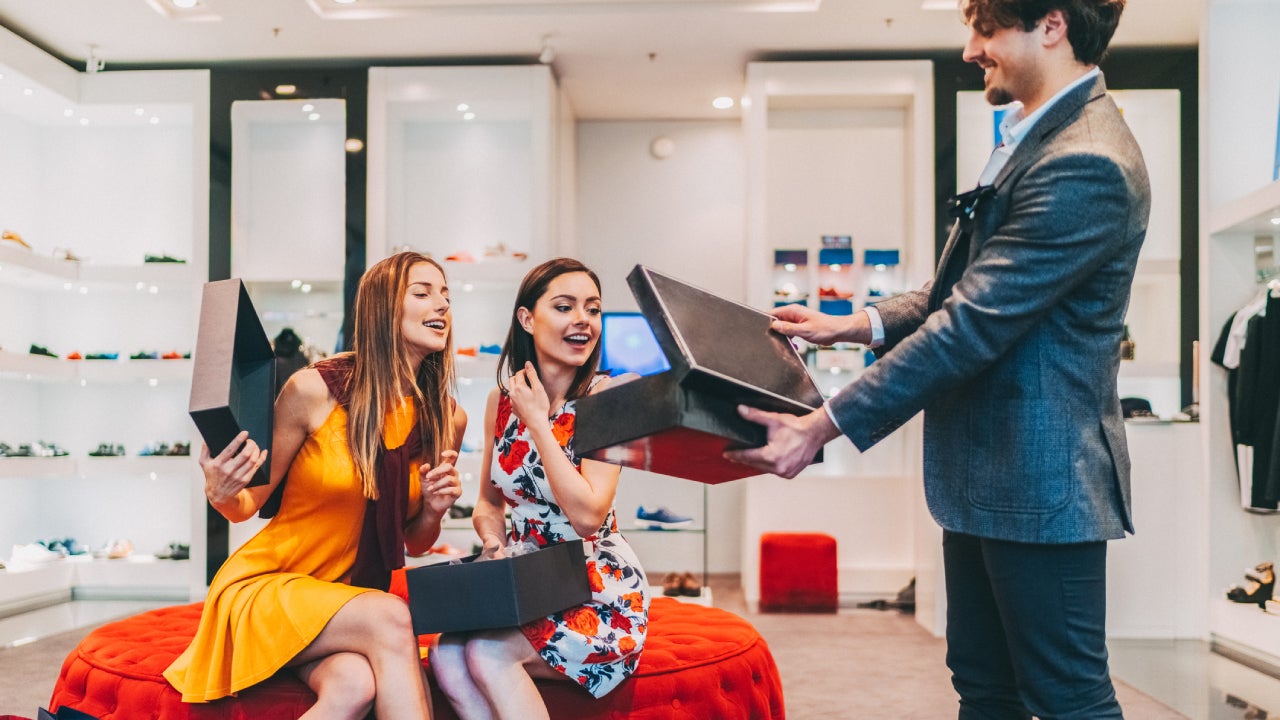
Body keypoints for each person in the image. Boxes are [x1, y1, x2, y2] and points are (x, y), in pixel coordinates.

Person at [727, 1, 1148, 718]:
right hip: (990, 476)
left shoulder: (1087, 161)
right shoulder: (1035, 137)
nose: (969, 50)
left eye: (986, 29)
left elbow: (970, 327)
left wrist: (823, 424)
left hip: (1042, 483)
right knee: (984, 687)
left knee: (1068, 697)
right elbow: (954, 292)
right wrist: (849, 324)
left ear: (1052, 25)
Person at [165, 251, 467, 720]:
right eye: (423, 293)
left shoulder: (446, 417)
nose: (442, 304)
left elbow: (416, 541)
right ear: (382, 308)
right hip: (272, 586)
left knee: (354, 685)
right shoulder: (313, 390)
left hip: (347, 603)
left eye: (446, 295)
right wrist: (220, 489)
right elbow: (247, 504)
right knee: (391, 615)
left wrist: (433, 508)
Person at [430, 258, 650, 720]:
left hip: (596, 589)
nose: (582, 321)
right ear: (527, 318)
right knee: (446, 654)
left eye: (592, 309)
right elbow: (490, 502)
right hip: (526, 581)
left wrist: (538, 422)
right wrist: (492, 543)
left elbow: (589, 515)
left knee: (488, 654)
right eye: (565, 306)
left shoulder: (609, 399)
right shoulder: (499, 402)